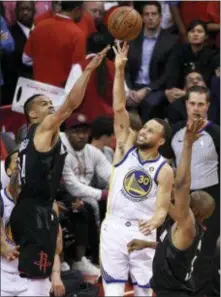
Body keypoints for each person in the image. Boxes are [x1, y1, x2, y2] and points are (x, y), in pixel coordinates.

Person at [9, 46, 110, 295]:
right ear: (32, 114)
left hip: (32, 206)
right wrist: (88, 70)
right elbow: (71, 104)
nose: (50, 106)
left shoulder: (24, 134)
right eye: (44, 103)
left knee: (25, 273)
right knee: (37, 282)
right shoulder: (42, 128)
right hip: (35, 212)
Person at [100, 42, 174, 297]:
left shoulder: (164, 169)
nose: (143, 131)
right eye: (145, 128)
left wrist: (155, 220)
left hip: (142, 229)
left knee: (144, 291)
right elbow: (119, 108)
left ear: (161, 141)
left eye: (151, 131)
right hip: (114, 227)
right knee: (113, 290)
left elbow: (163, 208)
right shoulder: (125, 146)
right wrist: (119, 70)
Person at [128, 119, 215, 297]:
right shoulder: (183, 228)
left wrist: (188, 144)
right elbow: (169, 246)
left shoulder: (187, 224)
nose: (189, 195)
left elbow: (181, 185)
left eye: (192, 197)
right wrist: (146, 244)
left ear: (195, 211)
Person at [1, 151, 65, 296]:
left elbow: (56, 245)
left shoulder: (47, 203)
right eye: (19, 163)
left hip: (35, 276)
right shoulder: (1, 199)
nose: (24, 166)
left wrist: (55, 274)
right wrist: (4, 246)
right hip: (3, 274)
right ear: (9, 170)